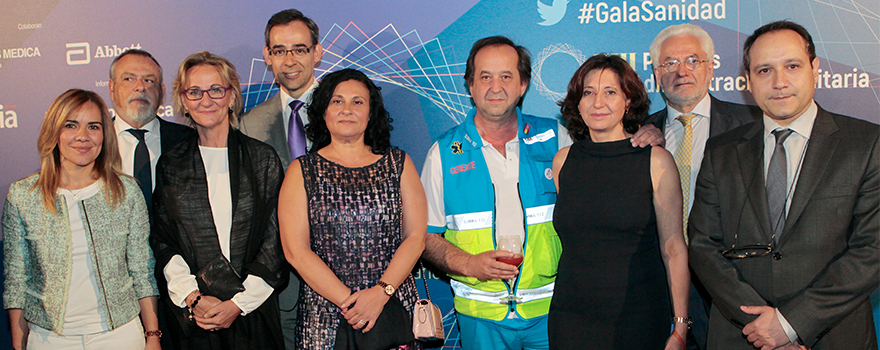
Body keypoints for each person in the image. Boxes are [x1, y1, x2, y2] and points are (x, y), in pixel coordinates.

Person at [419, 36, 664, 350]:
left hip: (555, 312)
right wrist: (468, 264)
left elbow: (609, 163)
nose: (496, 87)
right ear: (469, 86)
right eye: (485, 77)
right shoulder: (443, 153)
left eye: (506, 76)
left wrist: (647, 132)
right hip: (480, 316)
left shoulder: (556, 137)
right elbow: (425, 237)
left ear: (523, 86)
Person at [688, 20, 878, 350]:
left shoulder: (866, 144)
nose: (779, 82)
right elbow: (703, 243)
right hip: (742, 335)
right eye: (764, 71)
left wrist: (791, 324)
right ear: (747, 80)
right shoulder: (721, 150)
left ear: (815, 69)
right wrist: (762, 325)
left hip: (834, 334)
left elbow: (872, 248)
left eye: (792, 66)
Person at [277, 68, 426, 349]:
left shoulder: (398, 164)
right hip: (325, 318)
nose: (347, 109)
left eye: (358, 102)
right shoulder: (302, 171)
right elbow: (296, 251)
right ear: (323, 111)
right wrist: (353, 303)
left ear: (371, 113)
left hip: (392, 307)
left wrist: (380, 294)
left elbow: (415, 238)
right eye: (337, 101)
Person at [549, 54, 690, 349]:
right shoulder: (564, 161)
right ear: (577, 102)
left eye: (610, 92)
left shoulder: (655, 161)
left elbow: (674, 248)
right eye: (588, 92)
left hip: (638, 317)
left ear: (628, 101)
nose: (597, 102)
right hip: (570, 318)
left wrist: (680, 327)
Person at [3, 89, 160, 349]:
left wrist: (152, 336)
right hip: (48, 338)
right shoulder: (22, 196)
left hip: (120, 334)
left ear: (104, 134)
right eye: (71, 125)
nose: (83, 137)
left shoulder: (127, 191)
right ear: (54, 132)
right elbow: (16, 281)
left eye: (93, 126)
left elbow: (142, 270)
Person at [150, 51, 287, 349]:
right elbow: (164, 240)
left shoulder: (262, 159)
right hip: (197, 317)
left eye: (216, 89)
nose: (206, 100)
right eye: (194, 92)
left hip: (254, 314)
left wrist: (239, 303)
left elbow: (276, 240)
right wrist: (193, 298)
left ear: (231, 96)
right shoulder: (172, 165)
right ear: (183, 101)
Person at [645, 23, 763, 350]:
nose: (681, 71)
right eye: (669, 63)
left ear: (711, 67)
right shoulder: (638, 136)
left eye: (693, 60)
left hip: (734, 287)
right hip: (661, 288)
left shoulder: (754, 124)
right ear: (656, 73)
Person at [239, 11, 323, 345]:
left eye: (299, 49)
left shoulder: (348, 111)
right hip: (281, 286)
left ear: (317, 52)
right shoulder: (250, 124)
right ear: (267, 56)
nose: (289, 60)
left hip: (346, 277)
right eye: (279, 51)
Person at [108, 49, 195, 209]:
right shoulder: (94, 142)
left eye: (149, 80)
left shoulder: (188, 141)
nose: (140, 87)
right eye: (128, 79)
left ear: (162, 92)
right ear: (112, 88)